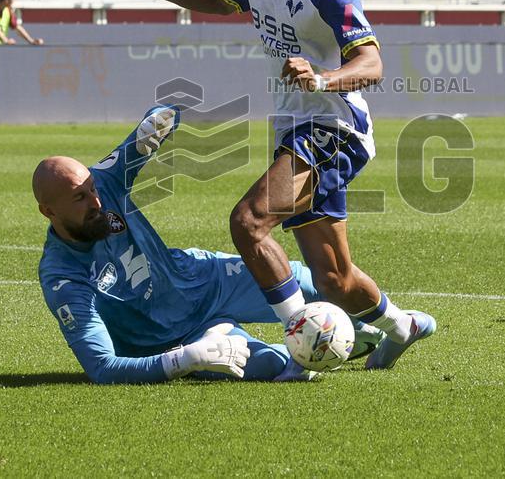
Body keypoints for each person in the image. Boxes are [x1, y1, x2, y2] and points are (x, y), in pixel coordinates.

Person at [109, 0, 434, 371]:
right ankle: (403, 325)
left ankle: (300, 353)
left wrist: (323, 78)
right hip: (296, 128)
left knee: (248, 223)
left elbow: (372, 63)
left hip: (334, 127)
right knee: (334, 279)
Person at [35, 105, 382, 383]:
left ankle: (392, 323)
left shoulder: (105, 182)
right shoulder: (62, 278)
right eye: (80, 198)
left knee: (315, 283)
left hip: (201, 278)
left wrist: (159, 119)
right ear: (48, 210)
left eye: (92, 189)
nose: (96, 202)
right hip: (173, 338)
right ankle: (328, 343)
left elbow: (158, 120)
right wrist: (188, 358)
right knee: (273, 365)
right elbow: (102, 368)